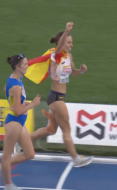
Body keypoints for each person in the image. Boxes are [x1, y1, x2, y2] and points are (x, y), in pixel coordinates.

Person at [13, 22, 94, 168]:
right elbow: (60, 45)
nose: (71, 45)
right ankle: (76, 159)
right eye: (69, 42)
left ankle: (21, 142)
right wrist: (67, 30)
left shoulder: (68, 57)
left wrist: (80, 71)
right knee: (66, 131)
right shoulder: (55, 57)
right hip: (57, 98)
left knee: (50, 130)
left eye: (71, 42)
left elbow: (72, 72)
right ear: (61, 43)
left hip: (55, 96)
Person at [0, 53, 41, 190]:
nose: (27, 65)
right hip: (14, 123)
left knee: (30, 153)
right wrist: (33, 104)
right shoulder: (16, 86)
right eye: (25, 64)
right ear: (17, 67)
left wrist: (11, 100)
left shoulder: (15, 79)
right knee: (6, 156)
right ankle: (8, 185)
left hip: (19, 122)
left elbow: (5, 88)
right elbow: (18, 111)